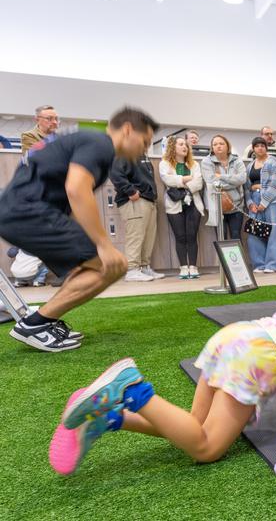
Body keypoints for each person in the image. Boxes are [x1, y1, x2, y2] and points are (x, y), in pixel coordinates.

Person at [48, 244, 276, 476]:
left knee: (191, 428)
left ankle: (108, 418)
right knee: (207, 449)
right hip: (256, 358)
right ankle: (131, 389)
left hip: (236, 338)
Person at [0, 107, 158, 352]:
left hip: (21, 211)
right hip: (29, 212)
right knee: (110, 265)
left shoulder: (83, 140)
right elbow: (76, 189)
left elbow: (70, 196)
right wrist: (104, 245)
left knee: (91, 264)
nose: (145, 148)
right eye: (145, 141)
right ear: (127, 130)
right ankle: (35, 325)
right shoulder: (100, 143)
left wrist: (89, 241)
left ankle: (44, 321)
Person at [110, 132, 163, 283]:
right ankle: (132, 270)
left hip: (148, 200)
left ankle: (145, 267)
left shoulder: (142, 155)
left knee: (148, 237)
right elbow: (115, 174)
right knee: (135, 236)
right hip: (134, 201)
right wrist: (131, 191)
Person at [159, 136, 205, 279]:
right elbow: (167, 180)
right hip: (174, 205)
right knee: (180, 237)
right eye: (180, 144)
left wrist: (179, 182)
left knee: (192, 237)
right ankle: (183, 267)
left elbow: (199, 183)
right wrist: (186, 179)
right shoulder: (165, 163)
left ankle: (193, 266)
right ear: (173, 147)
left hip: (193, 204)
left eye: (185, 145)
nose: (184, 147)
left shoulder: (194, 164)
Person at [244, 137, 276, 273]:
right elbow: (246, 187)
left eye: (262, 145)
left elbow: (275, 184)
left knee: (273, 233)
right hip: (254, 200)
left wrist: (264, 202)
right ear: (253, 149)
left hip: (272, 201)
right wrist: (250, 203)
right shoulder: (249, 165)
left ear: (266, 147)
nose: (260, 148)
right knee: (254, 232)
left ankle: (272, 265)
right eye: (257, 146)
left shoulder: (273, 162)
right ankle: (259, 264)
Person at [201, 134, 247, 240]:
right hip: (216, 206)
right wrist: (234, 182)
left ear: (227, 146)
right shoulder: (206, 161)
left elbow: (242, 179)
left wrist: (221, 176)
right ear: (212, 148)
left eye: (221, 143)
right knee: (221, 239)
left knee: (236, 237)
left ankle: (238, 258)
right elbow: (212, 182)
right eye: (215, 144)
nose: (218, 146)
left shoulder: (237, 160)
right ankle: (222, 258)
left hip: (237, 206)